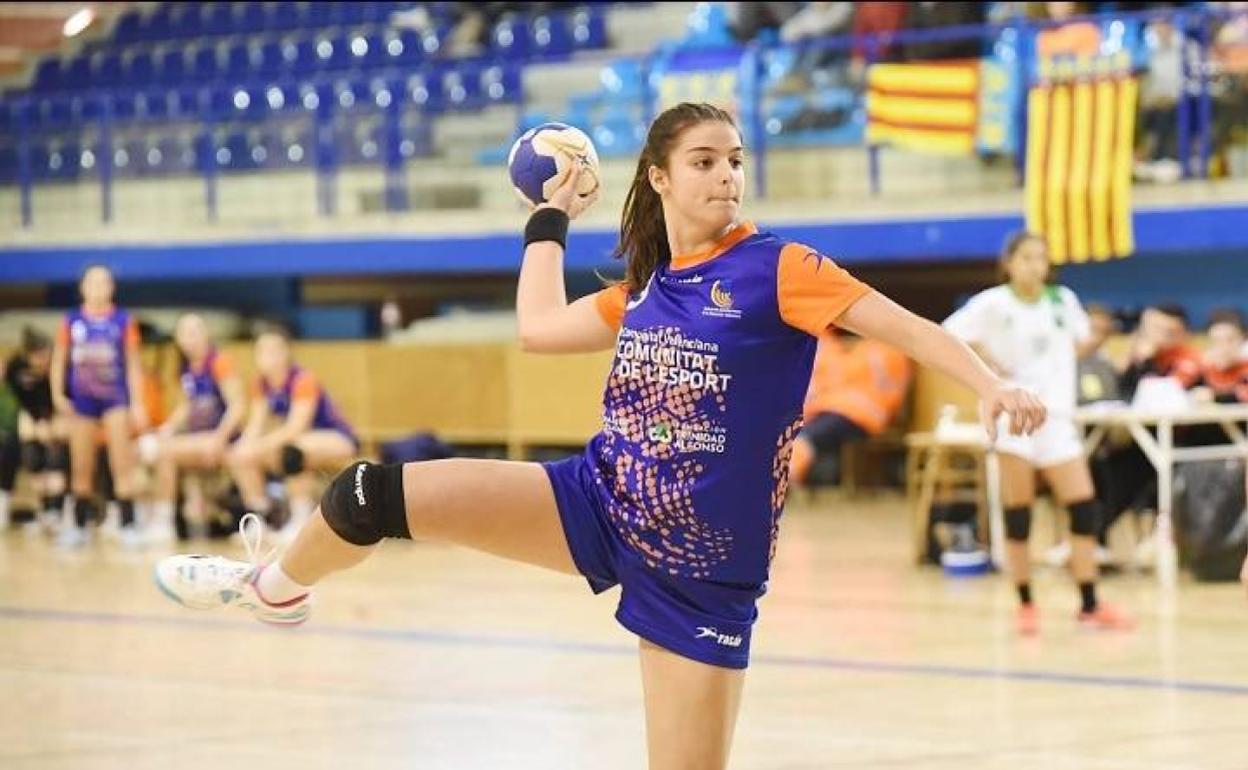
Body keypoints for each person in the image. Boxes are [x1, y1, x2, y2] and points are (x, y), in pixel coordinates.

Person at [154, 102, 1045, 768]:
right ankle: (272, 588)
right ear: (659, 178)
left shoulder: (780, 268)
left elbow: (908, 327)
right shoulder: (648, 288)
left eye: (734, 160)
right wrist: (548, 218)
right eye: (703, 161)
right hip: (596, 498)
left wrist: (990, 382)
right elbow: (538, 328)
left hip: (702, 566)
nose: (727, 176)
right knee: (366, 493)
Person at [944, 231, 1132, 635]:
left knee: (1083, 506)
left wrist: (1100, 337)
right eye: (1027, 258)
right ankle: (1025, 602)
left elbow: (1079, 344)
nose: (1035, 265)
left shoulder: (1062, 300)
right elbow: (949, 333)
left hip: (1058, 416)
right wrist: (989, 367)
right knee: (1019, 511)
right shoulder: (994, 303)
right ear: (1009, 262)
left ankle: (1089, 603)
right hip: (1014, 416)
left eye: (1041, 258)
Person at [225, 327, 358, 540]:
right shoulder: (261, 384)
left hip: (334, 437)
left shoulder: (302, 379)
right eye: (261, 350)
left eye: (272, 350)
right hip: (296, 440)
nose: (266, 356)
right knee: (241, 454)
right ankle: (261, 519)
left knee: (292, 452)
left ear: (285, 352)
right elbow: (255, 425)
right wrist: (243, 447)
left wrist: (258, 446)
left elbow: (296, 427)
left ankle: (300, 519)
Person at [50, 265, 146, 549]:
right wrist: (57, 394)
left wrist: (137, 403)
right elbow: (59, 360)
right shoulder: (71, 321)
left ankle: (128, 523)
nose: (98, 287)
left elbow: (133, 364)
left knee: (121, 461)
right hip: (82, 399)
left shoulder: (123, 321)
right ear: (83, 287)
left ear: (111, 288)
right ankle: (80, 525)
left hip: (115, 397)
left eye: (104, 282)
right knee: (81, 463)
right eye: (93, 282)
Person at [148, 314, 247, 543]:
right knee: (150, 447)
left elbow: (238, 405)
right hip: (198, 437)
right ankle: (154, 515)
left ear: (206, 334)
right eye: (183, 334)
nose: (188, 339)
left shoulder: (219, 362)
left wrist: (219, 438)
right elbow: (187, 407)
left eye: (194, 332)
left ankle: (163, 521)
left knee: (164, 453)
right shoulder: (187, 368)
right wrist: (167, 428)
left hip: (224, 437)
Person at [789, 330, 911, 487]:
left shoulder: (885, 350)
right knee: (804, 435)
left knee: (808, 438)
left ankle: (786, 477)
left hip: (858, 415)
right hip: (838, 409)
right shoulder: (865, 348)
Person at [2, 326, 69, 532]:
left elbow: (63, 398)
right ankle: (44, 509)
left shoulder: (60, 367)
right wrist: (33, 420)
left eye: (46, 355)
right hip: (31, 419)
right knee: (27, 453)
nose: (43, 361)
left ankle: (59, 510)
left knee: (56, 454)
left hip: (58, 418)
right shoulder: (16, 368)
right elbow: (22, 399)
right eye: (38, 357)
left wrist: (52, 422)